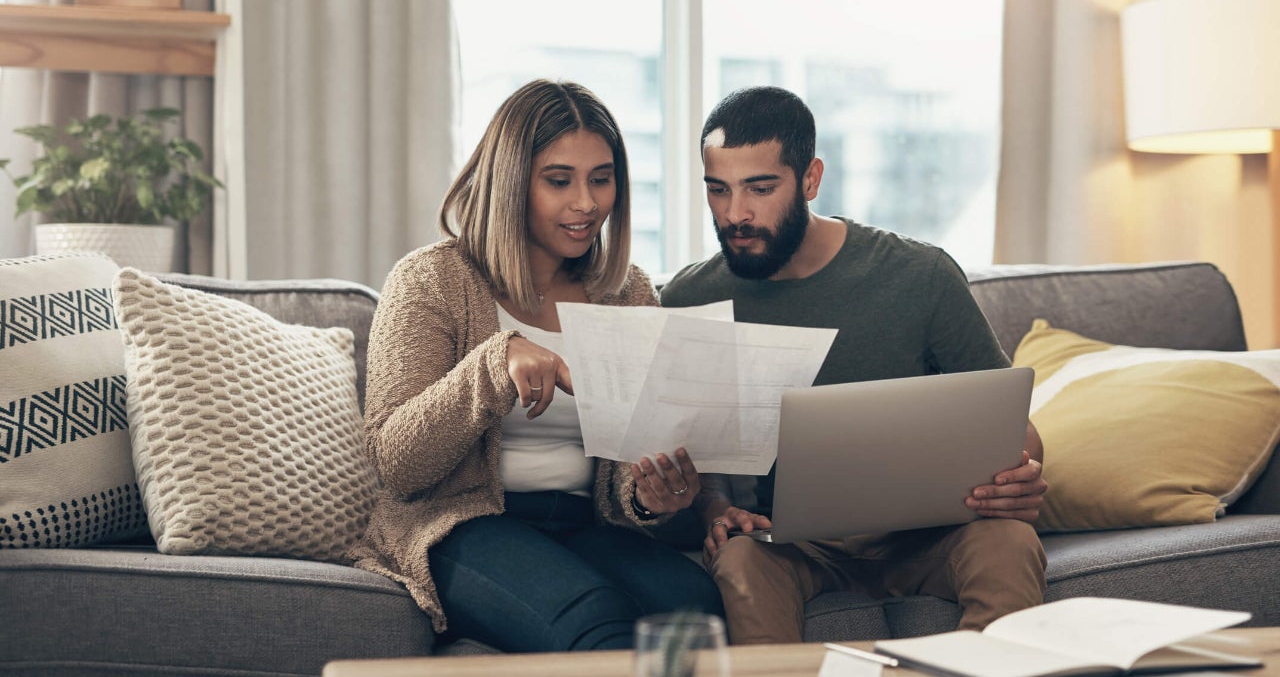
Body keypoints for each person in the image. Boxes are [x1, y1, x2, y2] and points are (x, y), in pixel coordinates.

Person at [660, 85, 1048, 645]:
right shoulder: (689, 300)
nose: (735, 214)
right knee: (739, 562)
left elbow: (1019, 432)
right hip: (788, 546)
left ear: (811, 179)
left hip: (931, 536)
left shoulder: (920, 276)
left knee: (1009, 542)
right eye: (717, 190)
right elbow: (686, 452)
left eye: (760, 188)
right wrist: (716, 508)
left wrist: (1021, 475)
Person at [349, 79, 723, 653]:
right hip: (460, 525)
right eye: (558, 181)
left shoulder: (626, 293)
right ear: (510, 184)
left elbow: (626, 457)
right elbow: (396, 462)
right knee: (599, 621)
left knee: (693, 603)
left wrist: (648, 494)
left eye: (601, 178)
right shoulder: (430, 281)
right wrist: (495, 365)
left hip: (582, 525)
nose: (586, 203)